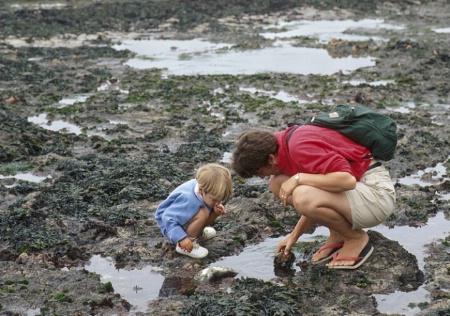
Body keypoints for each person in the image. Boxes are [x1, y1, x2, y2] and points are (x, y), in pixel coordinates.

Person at [231, 124, 396, 269]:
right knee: (278, 184)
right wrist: (293, 236)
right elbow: (317, 196)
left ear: (271, 158)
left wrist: (298, 178)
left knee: (301, 193)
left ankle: (355, 238)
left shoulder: (299, 147)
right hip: (358, 190)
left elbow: (347, 181)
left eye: (260, 172)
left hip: (377, 195)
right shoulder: (282, 145)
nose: (261, 177)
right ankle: (338, 233)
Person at [155, 163, 233, 259]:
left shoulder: (204, 188)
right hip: (170, 227)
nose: (217, 203)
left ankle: (197, 234)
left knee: (205, 211)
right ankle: (185, 245)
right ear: (201, 190)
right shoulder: (188, 200)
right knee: (202, 213)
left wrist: (215, 212)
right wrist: (182, 238)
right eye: (214, 200)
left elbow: (209, 204)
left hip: (183, 218)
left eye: (219, 200)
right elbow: (167, 218)